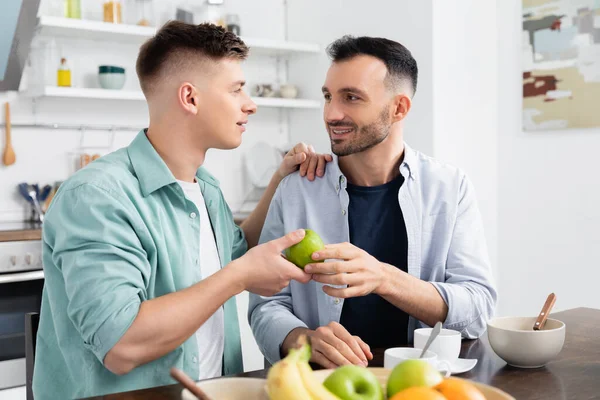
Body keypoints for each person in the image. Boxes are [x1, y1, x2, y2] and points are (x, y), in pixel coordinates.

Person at [33, 22, 331, 399]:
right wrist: (239, 277)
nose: (250, 103)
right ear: (190, 98)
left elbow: (234, 251)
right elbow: (121, 345)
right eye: (236, 89)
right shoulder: (96, 196)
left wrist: (279, 179)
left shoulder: (203, 186)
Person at [249, 35, 497, 369]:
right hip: (317, 384)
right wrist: (301, 339)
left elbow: (478, 309)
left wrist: (384, 279)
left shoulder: (449, 188)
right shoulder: (297, 189)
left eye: (351, 97)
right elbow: (265, 304)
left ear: (399, 108)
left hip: (420, 384)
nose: (331, 114)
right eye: (328, 97)